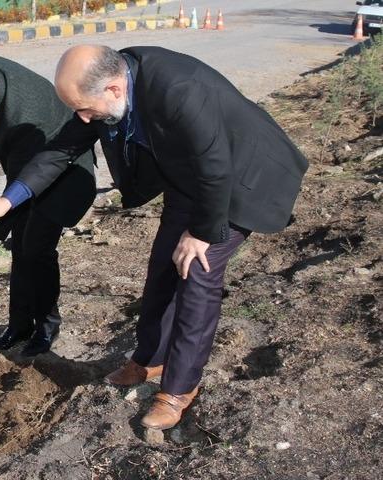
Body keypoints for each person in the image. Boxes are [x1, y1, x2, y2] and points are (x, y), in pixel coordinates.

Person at [20, 44, 307, 430]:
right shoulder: (112, 77)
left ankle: (179, 389)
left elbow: (216, 165)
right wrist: (10, 200)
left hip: (244, 179)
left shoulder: (178, 89)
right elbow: (63, 146)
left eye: (86, 108)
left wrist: (202, 233)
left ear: (114, 90)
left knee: (196, 273)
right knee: (162, 267)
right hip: (192, 177)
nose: (83, 118)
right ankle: (150, 360)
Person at [0, 52, 96, 356]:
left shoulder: (27, 114)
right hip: (26, 166)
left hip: (64, 170)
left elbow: (22, 187)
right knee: (21, 248)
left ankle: (47, 327)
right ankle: (20, 325)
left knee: (35, 247)